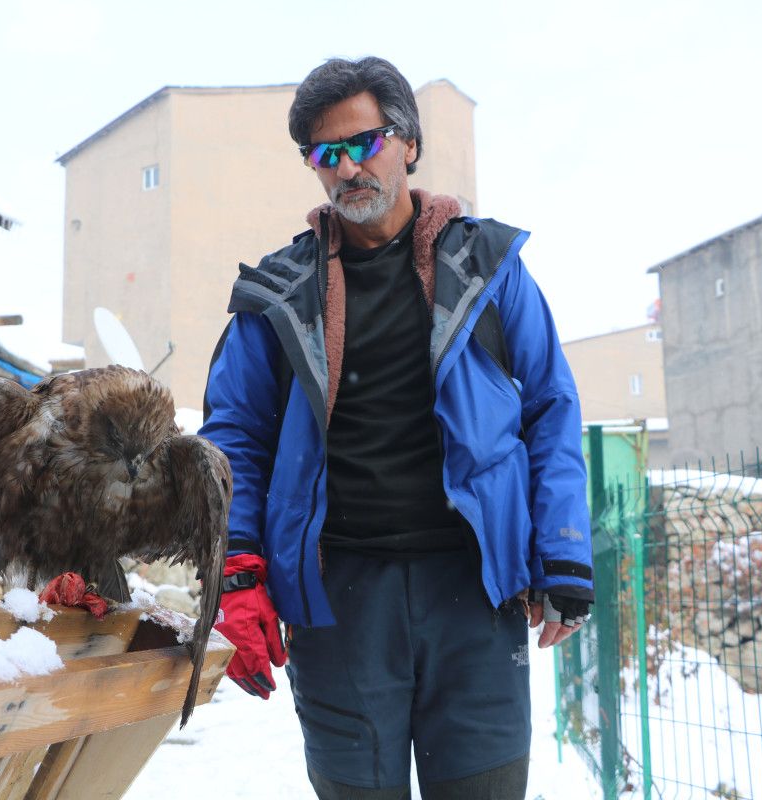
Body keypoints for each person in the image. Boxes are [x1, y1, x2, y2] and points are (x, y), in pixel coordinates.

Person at [200, 56, 593, 800]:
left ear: (409, 143)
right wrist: (237, 570)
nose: (348, 167)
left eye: (365, 142)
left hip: (474, 596)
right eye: (326, 153)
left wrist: (564, 549)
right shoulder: (277, 296)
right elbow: (233, 439)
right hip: (338, 604)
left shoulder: (489, 268)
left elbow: (550, 404)